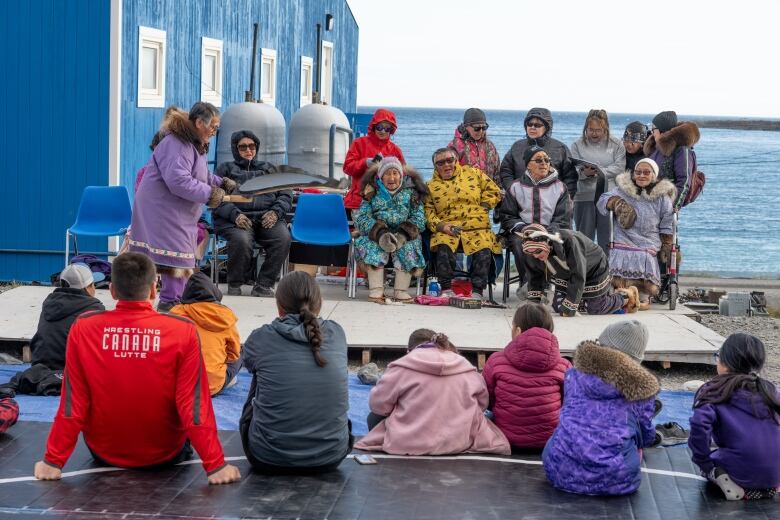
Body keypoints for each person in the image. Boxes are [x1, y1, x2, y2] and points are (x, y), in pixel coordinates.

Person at [33, 252, 240, 485]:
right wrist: (215, 465)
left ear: (111, 290)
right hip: (166, 454)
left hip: (103, 452)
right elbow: (192, 404)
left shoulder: (84, 328)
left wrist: (53, 461)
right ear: (154, 289)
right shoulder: (182, 330)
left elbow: (73, 401)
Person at [128, 103, 237, 312]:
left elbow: (199, 174)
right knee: (174, 257)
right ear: (198, 123)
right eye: (213, 127)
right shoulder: (176, 143)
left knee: (179, 256)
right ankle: (170, 302)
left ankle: (171, 300)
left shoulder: (192, 143)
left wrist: (219, 183)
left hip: (175, 211)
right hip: (162, 210)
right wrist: (209, 194)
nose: (215, 132)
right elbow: (178, 180)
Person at [240, 271, 352, 473]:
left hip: (268, 456)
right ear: (320, 303)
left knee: (260, 373)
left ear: (279, 307)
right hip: (331, 455)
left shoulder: (262, 337)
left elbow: (246, 363)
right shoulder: (337, 333)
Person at [543, 320, 659, 496]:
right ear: (636, 358)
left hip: (559, 471)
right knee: (634, 434)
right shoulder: (642, 390)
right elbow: (646, 436)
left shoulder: (573, 375)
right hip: (616, 479)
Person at [355, 330, 510, 456]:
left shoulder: (401, 367)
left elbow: (378, 406)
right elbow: (482, 404)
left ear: (408, 351)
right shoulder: (465, 366)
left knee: (373, 417)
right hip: (458, 441)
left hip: (407, 442)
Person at [689, 333, 780, 500]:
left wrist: (704, 461)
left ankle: (723, 479)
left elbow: (699, 425)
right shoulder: (771, 391)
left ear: (725, 363)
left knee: (716, 459)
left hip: (740, 470)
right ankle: (767, 486)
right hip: (774, 472)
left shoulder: (714, 390)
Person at [213, 130, 292, 297]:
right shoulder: (225, 169)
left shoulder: (270, 169)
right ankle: (235, 283)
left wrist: (275, 213)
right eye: (243, 147)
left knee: (283, 238)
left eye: (252, 146)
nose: (248, 150)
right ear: (235, 149)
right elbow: (216, 198)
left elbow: (285, 193)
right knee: (241, 239)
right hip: (236, 219)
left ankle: (264, 284)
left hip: (266, 217)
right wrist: (235, 215)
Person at [482, 303, 571, 450]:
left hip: (506, 438)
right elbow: (568, 404)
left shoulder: (496, 361)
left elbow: (487, 401)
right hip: (549, 441)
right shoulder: (564, 366)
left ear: (517, 331)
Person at [597, 158, 675, 310]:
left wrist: (667, 243)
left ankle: (643, 293)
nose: (641, 176)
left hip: (649, 239)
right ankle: (620, 291)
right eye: (638, 172)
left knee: (645, 255)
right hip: (624, 236)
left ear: (654, 175)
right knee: (620, 252)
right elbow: (602, 200)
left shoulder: (662, 198)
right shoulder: (623, 190)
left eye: (646, 172)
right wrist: (616, 203)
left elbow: (666, 223)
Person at [425, 147, 501, 300]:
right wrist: (441, 226)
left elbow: (494, 190)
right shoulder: (430, 186)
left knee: (484, 245)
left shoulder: (473, 173)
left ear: (456, 161)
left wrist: (485, 206)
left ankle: (478, 290)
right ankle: (446, 288)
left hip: (476, 224)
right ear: (435, 167)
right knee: (443, 243)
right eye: (440, 163)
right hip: (449, 226)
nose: (446, 165)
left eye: (449, 160)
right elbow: (428, 213)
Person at [499, 145, 572, 297]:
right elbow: (507, 216)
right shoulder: (515, 187)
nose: (544, 163)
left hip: (550, 230)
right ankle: (530, 285)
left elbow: (563, 218)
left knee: (550, 242)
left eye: (546, 160)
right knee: (521, 243)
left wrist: (546, 232)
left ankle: (542, 286)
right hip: (523, 230)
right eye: (538, 160)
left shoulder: (560, 187)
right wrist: (524, 228)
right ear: (528, 165)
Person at [519, 223, 638, 316]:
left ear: (547, 243)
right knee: (559, 307)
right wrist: (533, 303)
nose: (535, 256)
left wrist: (570, 306)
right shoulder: (531, 252)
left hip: (594, 269)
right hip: (566, 274)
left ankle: (625, 296)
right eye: (530, 253)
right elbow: (534, 276)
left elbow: (578, 274)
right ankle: (583, 300)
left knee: (595, 308)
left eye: (538, 251)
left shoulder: (570, 242)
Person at [353, 156, 428, 304]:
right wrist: (379, 233)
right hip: (378, 234)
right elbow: (361, 217)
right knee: (372, 246)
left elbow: (420, 218)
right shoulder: (371, 192)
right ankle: (376, 290)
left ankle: (401, 290)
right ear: (381, 176)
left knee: (410, 246)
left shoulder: (412, 193)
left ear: (401, 175)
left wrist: (403, 234)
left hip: (403, 234)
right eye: (387, 173)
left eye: (395, 173)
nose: (392, 177)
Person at [170, 272, 241, 396]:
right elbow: (233, 355)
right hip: (212, 386)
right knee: (242, 352)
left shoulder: (175, 313)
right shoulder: (224, 316)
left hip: (180, 386)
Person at [30, 264, 104, 371]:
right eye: (93, 284)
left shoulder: (49, 303)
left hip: (41, 369)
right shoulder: (95, 308)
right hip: (72, 374)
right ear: (88, 288)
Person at [570, 109, 626, 252]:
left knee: (607, 240)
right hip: (584, 196)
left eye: (598, 130)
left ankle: (607, 272)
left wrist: (600, 172)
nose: (594, 133)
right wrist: (584, 173)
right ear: (585, 128)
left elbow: (620, 167)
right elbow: (571, 169)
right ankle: (585, 272)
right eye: (591, 130)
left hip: (608, 197)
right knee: (583, 240)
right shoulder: (577, 145)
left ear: (605, 128)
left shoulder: (616, 144)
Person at [498, 107, 577, 199]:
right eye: (529, 124)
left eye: (537, 125)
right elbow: (506, 171)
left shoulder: (560, 149)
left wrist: (563, 200)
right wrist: (513, 191)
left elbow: (570, 178)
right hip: (520, 201)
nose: (532, 127)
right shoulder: (517, 146)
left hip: (552, 204)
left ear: (547, 127)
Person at [343, 108, 406, 215]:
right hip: (359, 201)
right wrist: (365, 163)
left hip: (386, 205)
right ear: (373, 126)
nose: (382, 131)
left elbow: (403, 175)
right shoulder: (359, 143)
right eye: (379, 127)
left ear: (391, 130)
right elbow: (347, 168)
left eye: (387, 129)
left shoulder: (395, 150)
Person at [644, 111, 700, 210]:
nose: (652, 133)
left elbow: (684, 181)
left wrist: (674, 206)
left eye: (653, 129)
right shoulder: (657, 149)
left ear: (662, 130)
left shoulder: (681, 150)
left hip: (667, 205)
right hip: (650, 203)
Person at [448, 108, 500, 184]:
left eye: (484, 127)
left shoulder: (490, 145)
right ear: (466, 126)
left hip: (489, 192)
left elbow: (497, 171)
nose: (481, 131)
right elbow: (449, 173)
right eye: (477, 128)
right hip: (465, 193)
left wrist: (498, 190)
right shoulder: (455, 146)